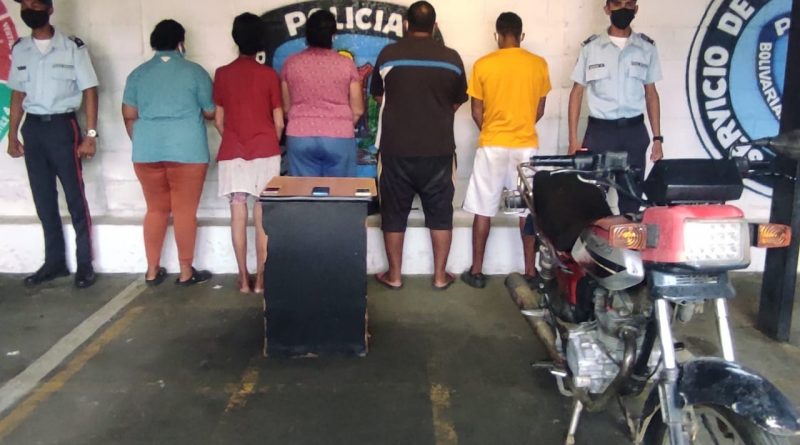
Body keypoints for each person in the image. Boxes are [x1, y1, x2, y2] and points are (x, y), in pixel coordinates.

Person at [371, 1, 468, 291]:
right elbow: (456, 101)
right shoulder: (452, 58)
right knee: (441, 214)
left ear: (406, 25)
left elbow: (378, 96)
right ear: (435, 26)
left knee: (393, 213)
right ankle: (439, 276)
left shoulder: (389, 54)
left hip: (395, 149)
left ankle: (394, 276)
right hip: (439, 150)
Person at [7, 0, 99, 288]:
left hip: (62, 127)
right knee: (43, 199)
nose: (28, 9)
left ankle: (85, 264)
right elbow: (18, 94)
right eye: (24, 5)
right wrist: (12, 135)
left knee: (75, 198)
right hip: (33, 128)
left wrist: (91, 135)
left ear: (49, 9)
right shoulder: (20, 49)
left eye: (34, 4)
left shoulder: (72, 47)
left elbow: (90, 90)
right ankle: (55, 262)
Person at [461, 12, 551, 289]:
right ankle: (530, 272)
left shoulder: (483, 64)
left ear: (497, 36)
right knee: (527, 211)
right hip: (525, 146)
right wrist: (520, 128)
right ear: (521, 35)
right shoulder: (538, 64)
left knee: (483, 210)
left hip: (492, 145)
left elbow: (476, 111)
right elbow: (539, 110)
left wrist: (492, 132)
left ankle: (477, 272)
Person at [122, 20, 215, 286]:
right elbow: (210, 111)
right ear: (180, 43)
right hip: (188, 151)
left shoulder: (138, 74)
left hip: (146, 152)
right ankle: (186, 272)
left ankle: (152, 270)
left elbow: (129, 115)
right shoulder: (195, 72)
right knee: (184, 211)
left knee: (155, 210)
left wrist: (143, 141)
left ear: (154, 43)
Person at [568, 0, 663, 214]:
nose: (623, 9)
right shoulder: (591, 48)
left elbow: (651, 94)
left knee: (632, 201)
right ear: (607, 9)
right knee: (592, 200)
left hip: (633, 134)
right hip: (599, 134)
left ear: (636, 9)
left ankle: (628, 236)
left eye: (629, 4)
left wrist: (657, 139)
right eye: (617, 4)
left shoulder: (646, 48)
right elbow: (576, 93)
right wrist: (573, 140)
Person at [213, 13, 284, 294]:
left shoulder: (222, 74)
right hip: (265, 150)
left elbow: (219, 121)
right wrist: (267, 143)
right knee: (262, 214)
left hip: (233, 151)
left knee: (237, 212)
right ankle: (262, 280)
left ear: (236, 39)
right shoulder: (269, 75)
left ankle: (243, 279)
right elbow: (279, 122)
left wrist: (235, 139)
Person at [280, 10, 363, 177]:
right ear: (333, 35)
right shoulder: (346, 64)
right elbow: (358, 110)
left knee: (303, 191)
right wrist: (338, 124)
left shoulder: (291, 63)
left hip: (300, 135)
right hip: (339, 136)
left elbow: (286, 108)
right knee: (341, 190)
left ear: (307, 34)